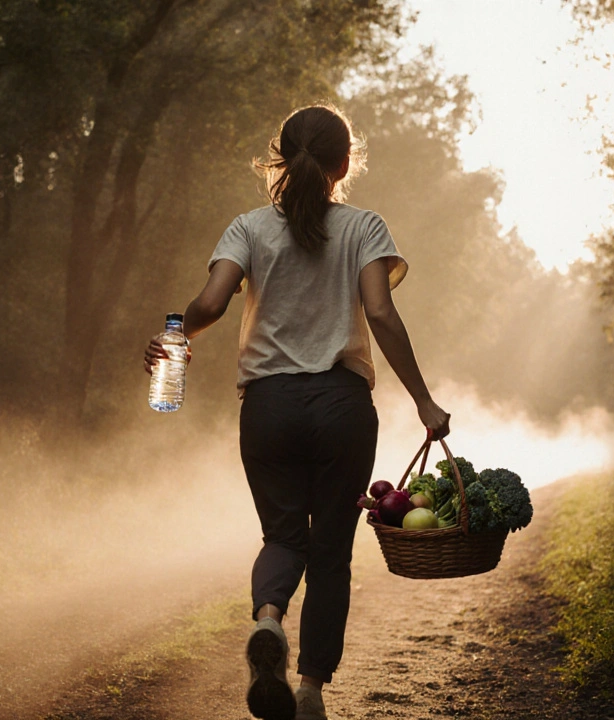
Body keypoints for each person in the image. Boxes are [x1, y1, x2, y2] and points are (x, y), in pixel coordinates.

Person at [143, 104, 450, 720]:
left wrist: (176, 337)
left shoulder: (249, 228)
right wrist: (423, 398)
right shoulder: (365, 226)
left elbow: (209, 303)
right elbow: (381, 315)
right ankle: (310, 689)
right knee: (331, 552)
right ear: (343, 164)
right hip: (341, 407)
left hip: (269, 407)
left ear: (280, 158)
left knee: (284, 536)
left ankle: (269, 621)